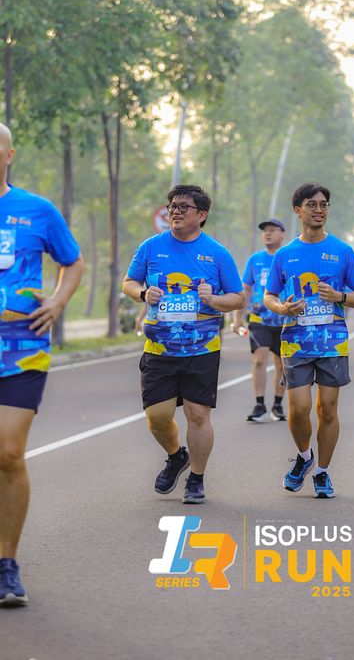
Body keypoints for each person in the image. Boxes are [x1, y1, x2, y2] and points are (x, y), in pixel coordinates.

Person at [0, 123, 84, 606]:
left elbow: (72, 262)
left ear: (9, 154)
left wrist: (57, 301)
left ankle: (6, 564)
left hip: (21, 348)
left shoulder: (37, 210)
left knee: (9, 454)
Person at [123, 184, 244, 505]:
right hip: (159, 349)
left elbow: (237, 298)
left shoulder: (217, 253)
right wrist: (142, 293)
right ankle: (177, 456)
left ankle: (197, 479)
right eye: (172, 206)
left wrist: (213, 299)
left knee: (198, 415)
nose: (175, 211)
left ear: (201, 215)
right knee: (157, 416)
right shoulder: (151, 247)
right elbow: (129, 282)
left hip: (202, 349)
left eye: (183, 207)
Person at [264, 183, 354, 498]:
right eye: (312, 204)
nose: (319, 210)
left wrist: (341, 296)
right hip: (295, 341)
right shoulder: (284, 254)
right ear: (298, 210)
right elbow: (269, 295)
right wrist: (282, 308)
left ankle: (322, 472)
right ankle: (304, 456)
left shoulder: (342, 251)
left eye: (324, 204)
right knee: (298, 409)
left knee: (328, 409)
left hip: (332, 341)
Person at [232, 218, 286, 422]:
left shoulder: (289, 257)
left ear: (282, 234)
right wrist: (237, 318)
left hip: (285, 322)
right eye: (265, 231)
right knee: (259, 360)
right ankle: (259, 405)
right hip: (259, 320)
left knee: (282, 365)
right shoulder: (255, 260)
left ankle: (278, 405)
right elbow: (245, 290)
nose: (267, 233)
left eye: (272, 230)